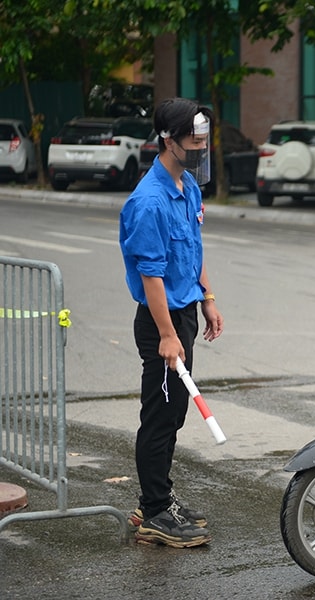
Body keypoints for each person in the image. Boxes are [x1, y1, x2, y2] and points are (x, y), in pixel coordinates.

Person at [119, 97, 224, 548]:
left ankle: (156, 498)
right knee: (160, 417)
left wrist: (209, 298)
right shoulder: (149, 202)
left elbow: (193, 249)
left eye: (205, 139)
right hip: (160, 322)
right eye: (195, 140)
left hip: (183, 315)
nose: (202, 147)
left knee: (175, 412)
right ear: (168, 139)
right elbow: (152, 275)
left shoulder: (188, 188)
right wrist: (166, 336)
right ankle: (156, 513)